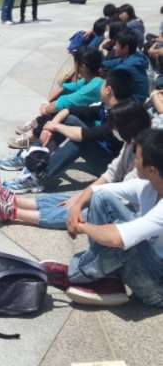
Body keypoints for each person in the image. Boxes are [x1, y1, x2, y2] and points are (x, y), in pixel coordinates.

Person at [0, 102, 151, 230]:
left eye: (115, 128)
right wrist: (82, 196)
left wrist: (84, 199)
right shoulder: (131, 142)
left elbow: (123, 193)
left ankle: (12, 212)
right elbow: (111, 174)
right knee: (72, 199)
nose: (113, 131)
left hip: (129, 210)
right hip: (116, 195)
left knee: (80, 211)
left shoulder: (146, 156)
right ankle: (15, 200)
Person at [61, 128, 163, 307]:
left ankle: (76, 273)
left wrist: (82, 227)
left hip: (157, 288)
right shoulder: (148, 186)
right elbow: (96, 190)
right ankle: (106, 275)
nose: (134, 161)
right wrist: (76, 208)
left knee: (125, 243)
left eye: (137, 157)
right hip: (149, 258)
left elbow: (118, 239)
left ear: (152, 170)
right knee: (101, 198)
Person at [0, 69, 135, 193]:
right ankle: (32, 158)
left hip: (113, 168)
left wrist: (55, 127)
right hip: (104, 151)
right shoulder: (109, 106)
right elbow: (71, 110)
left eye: (103, 84)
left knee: (79, 142)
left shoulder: (122, 116)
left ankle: (38, 178)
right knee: (70, 118)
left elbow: (83, 135)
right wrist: (50, 126)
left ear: (108, 90)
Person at [8, 47, 104, 149]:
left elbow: (62, 104)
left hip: (94, 128)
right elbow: (65, 88)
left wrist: (46, 108)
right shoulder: (91, 79)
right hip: (86, 117)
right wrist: (46, 102)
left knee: (64, 115)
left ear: (83, 66)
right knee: (59, 107)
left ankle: (34, 137)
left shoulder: (94, 86)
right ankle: (36, 128)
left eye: (76, 63)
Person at [102, 28, 149, 102]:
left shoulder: (126, 67)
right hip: (140, 99)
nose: (114, 47)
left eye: (117, 45)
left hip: (134, 102)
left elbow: (111, 75)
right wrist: (100, 63)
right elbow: (114, 62)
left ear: (126, 48)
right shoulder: (137, 57)